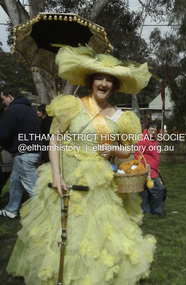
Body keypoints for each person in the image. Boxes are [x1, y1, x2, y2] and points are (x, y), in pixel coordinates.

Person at [7, 46, 156, 284]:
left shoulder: (121, 117)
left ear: (115, 86)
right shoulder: (72, 105)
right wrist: (56, 176)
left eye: (109, 80)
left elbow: (127, 151)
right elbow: (54, 140)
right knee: (59, 232)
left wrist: (114, 149)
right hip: (65, 176)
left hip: (99, 183)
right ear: (91, 81)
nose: (104, 84)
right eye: (99, 78)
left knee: (97, 234)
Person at [0, 86, 41, 218]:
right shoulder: (31, 109)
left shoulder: (13, 109)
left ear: (10, 97)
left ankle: (48, 216)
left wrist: (5, 145)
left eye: (3, 99)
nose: (2, 102)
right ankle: (11, 210)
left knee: (34, 189)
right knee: (15, 182)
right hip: (33, 151)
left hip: (23, 154)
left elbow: (4, 134)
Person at [134, 121, 165, 216]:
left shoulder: (153, 139)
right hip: (147, 170)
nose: (154, 131)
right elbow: (138, 154)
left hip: (153, 169)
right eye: (152, 129)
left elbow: (154, 155)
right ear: (146, 130)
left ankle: (145, 210)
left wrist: (156, 167)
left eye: (155, 130)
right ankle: (157, 210)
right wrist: (143, 168)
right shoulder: (143, 139)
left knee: (145, 190)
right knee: (158, 189)